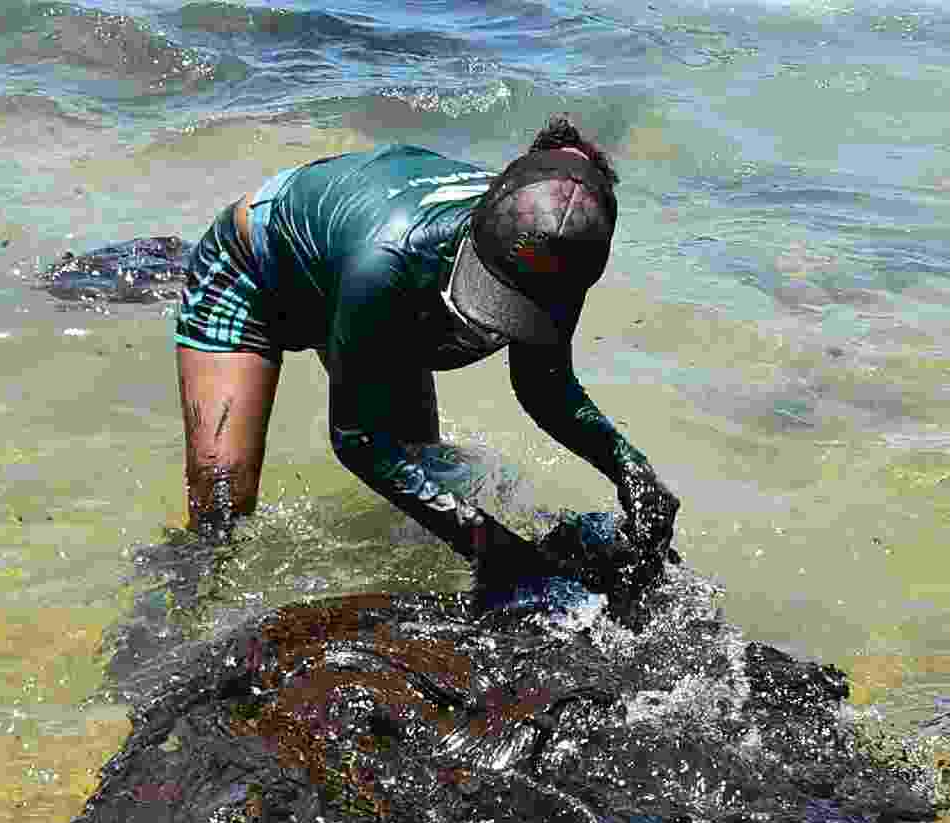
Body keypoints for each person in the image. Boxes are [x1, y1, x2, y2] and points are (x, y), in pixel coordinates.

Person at [172, 117, 679, 597]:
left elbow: (543, 386)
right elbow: (358, 441)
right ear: (478, 225)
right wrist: (498, 551)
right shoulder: (391, 258)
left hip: (369, 285)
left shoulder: (555, 244)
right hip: (257, 272)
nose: (496, 319)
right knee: (221, 512)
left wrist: (630, 468)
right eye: (493, 291)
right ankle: (164, 627)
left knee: (420, 473)